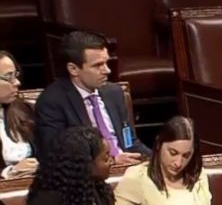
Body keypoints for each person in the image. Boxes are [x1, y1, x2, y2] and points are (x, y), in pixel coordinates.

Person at [34, 31, 150, 163]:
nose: (107, 70)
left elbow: (129, 141)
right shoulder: (52, 102)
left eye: (106, 63)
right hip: (88, 176)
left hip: (127, 169)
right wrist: (112, 161)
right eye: (98, 65)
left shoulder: (114, 93)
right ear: (73, 69)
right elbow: (57, 155)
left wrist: (156, 161)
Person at [115, 116, 220, 205]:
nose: (178, 162)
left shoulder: (199, 176)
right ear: (159, 145)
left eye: (186, 155)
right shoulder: (138, 177)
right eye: (173, 153)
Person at [0, 51, 37, 179]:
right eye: (8, 77)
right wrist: (9, 173)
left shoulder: (27, 110)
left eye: (16, 75)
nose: (17, 82)